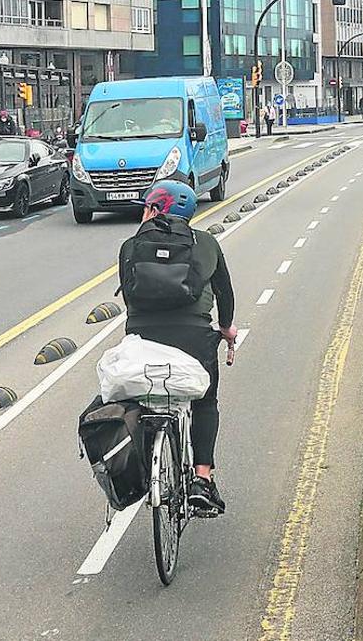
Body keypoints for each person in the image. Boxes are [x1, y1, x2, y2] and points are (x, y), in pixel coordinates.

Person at [119, 181, 237, 513]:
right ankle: (202, 478)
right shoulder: (206, 242)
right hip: (194, 339)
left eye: (146, 207)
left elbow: (129, 296)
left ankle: (146, 471)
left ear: (156, 210)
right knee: (205, 401)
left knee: (138, 400)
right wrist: (226, 329)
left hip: (142, 338)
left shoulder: (130, 246)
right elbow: (225, 294)